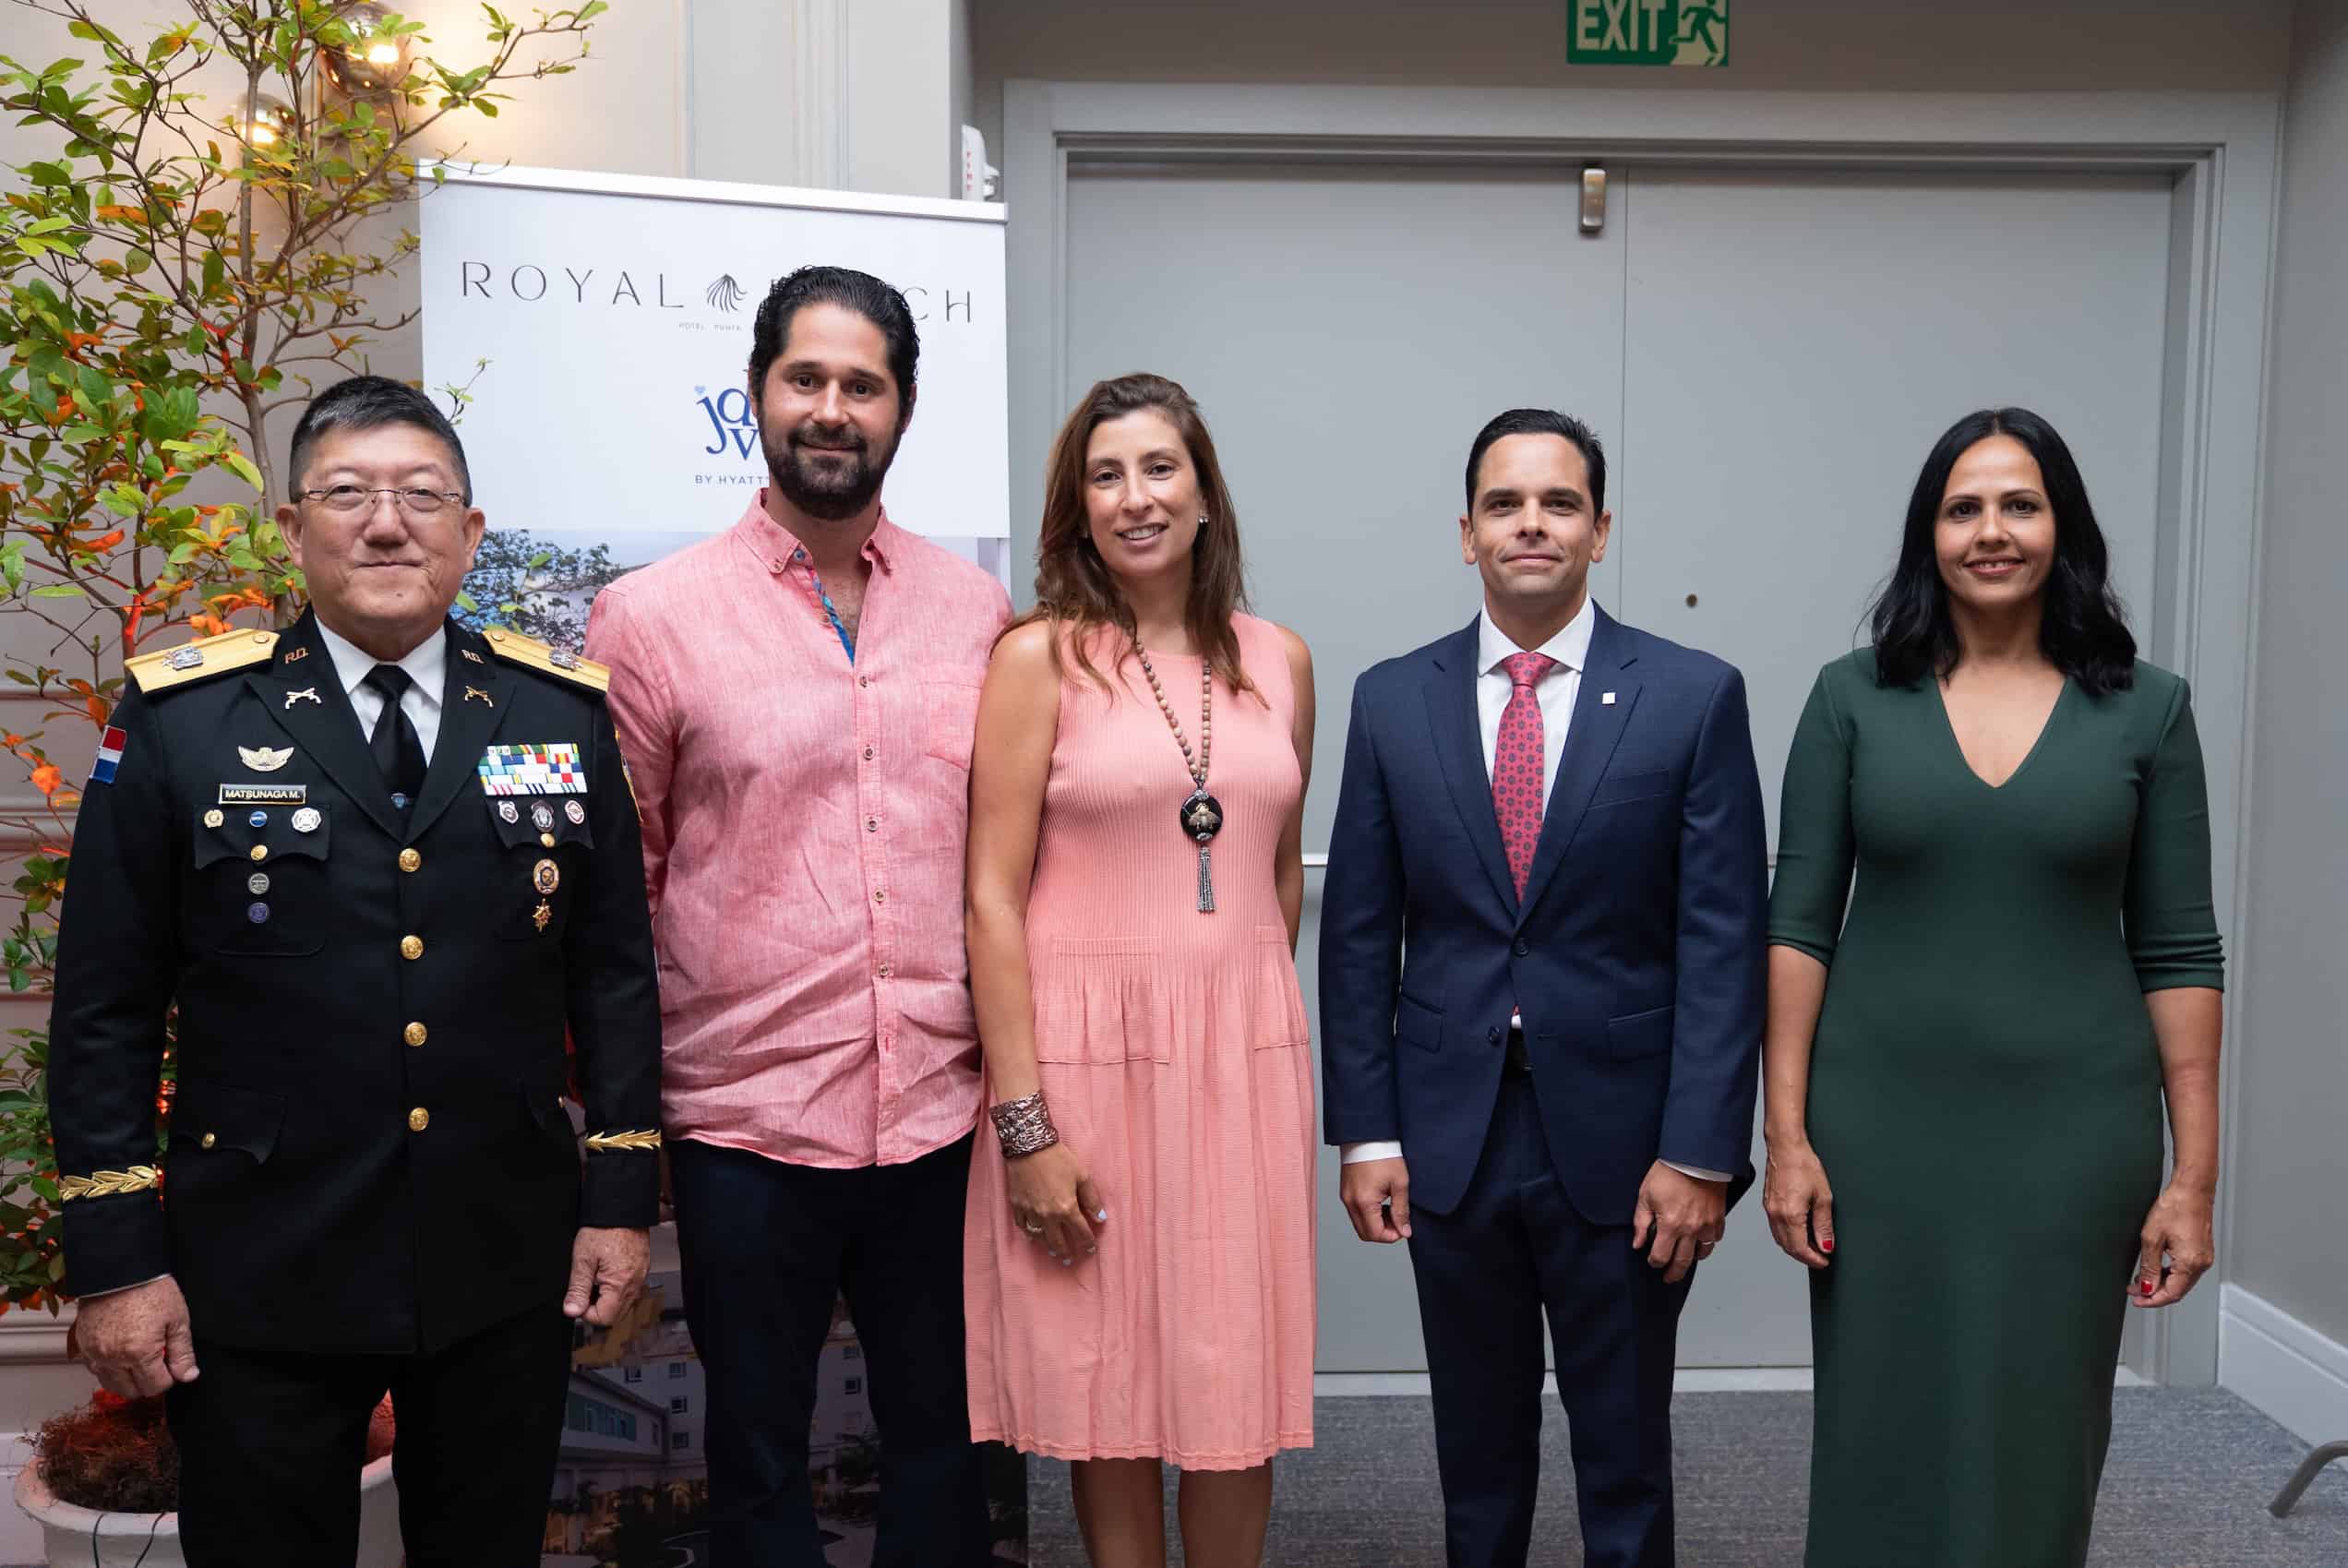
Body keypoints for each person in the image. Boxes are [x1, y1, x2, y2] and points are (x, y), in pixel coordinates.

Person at [48, 374, 661, 1566]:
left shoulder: (560, 712)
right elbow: (106, 1007)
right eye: (350, 492)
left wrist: (622, 1201)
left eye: (423, 495)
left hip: (501, 1259)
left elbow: (617, 972)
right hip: (260, 1271)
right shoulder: (185, 719)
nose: (388, 522)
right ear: (293, 526)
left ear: (470, 531)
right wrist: (119, 1265)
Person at [585, 265, 1009, 1567]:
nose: (833, 408)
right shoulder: (650, 616)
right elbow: (623, 886)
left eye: (862, 384)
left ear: (905, 407)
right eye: (806, 379)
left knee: (949, 1440)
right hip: (745, 1119)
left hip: (939, 1106)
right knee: (757, 1450)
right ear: (759, 394)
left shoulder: (976, 611)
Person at [1762, 407, 2225, 1568]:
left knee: (2040, 1430)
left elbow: (2179, 950)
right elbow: (1799, 930)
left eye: (2019, 503)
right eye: (1962, 507)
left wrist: (2195, 1173)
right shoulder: (1850, 698)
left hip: (2075, 1137)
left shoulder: (2150, 708)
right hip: (1880, 1129)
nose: (1991, 531)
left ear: (2061, 526)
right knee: (1878, 1425)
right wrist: (1787, 1135)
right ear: (1930, 535)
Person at [1320, 409, 1767, 1568]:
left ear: (1601, 530)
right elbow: (1362, 934)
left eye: (1559, 503)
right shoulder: (1389, 699)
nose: (1532, 524)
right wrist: (1364, 1131)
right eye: (1505, 504)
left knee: (1624, 1454)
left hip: (1630, 1151)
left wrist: (1703, 1152)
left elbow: (1724, 940)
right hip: (1448, 1135)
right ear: (1465, 533)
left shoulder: (1692, 695)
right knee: (1477, 1452)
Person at [963, 373, 1317, 1568]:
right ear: (1077, 509)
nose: (1136, 496)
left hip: (1239, 1061)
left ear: (1206, 492)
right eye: (1105, 475)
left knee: (1236, 1384)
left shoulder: (1283, 659)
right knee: (1104, 1378)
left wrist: (1242, 1011)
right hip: (1081, 1065)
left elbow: (1274, 872)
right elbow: (989, 897)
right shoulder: (1036, 659)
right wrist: (1023, 1123)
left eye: (1160, 467)